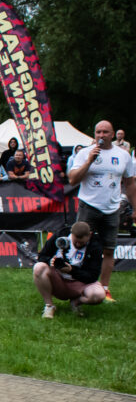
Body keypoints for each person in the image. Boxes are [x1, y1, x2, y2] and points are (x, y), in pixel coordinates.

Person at [69, 119, 136, 301]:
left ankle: (105, 288)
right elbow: (73, 179)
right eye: (98, 132)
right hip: (88, 206)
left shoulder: (123, 155)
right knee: (79, 246)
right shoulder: (84, 153)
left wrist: (135, 207)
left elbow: (130, 183)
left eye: (105, 132)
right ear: (94, 134)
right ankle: (78, 285)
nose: (101, 135)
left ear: (112, 135)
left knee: (109, 250)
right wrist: (89, 161)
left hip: (112, 209)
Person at [33, 221, 105, 318]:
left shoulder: (95, 245)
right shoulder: (60, 235)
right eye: (76, 242)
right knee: (39, 267)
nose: (78, 244)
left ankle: (76, 302)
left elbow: (92, 276)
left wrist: (71, 270)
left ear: (90, 235)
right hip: (58, 280)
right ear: (72, 234)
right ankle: (49, 306)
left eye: (82, 243)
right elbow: (42, 256)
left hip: (80, 283)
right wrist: (52, 261)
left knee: (98, 295)